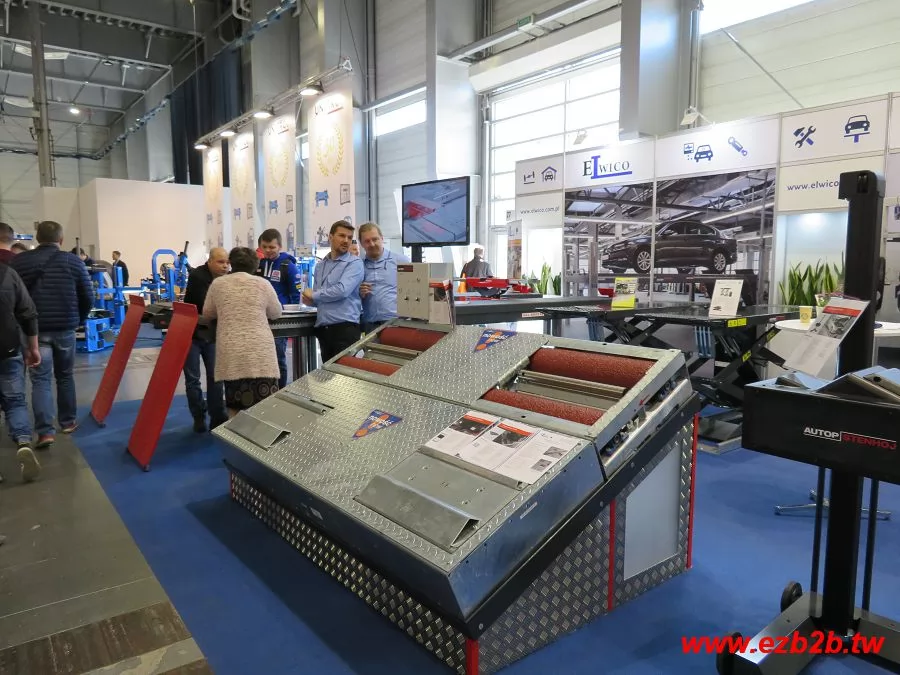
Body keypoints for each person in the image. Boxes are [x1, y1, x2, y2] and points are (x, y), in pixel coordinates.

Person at [11, 221, 93, 446]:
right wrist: (79, 319)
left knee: (40, 380)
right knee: (65, 376)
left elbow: (15, 297)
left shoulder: (20, 262)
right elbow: (88, 295)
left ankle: (45, 432)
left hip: (34, 331)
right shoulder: (73, 261)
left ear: (37, 238)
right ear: (61, 239)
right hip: (65, 328)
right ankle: (67, 422)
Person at [203, 247, 282, 417]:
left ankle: (235, 434)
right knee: (265, 406)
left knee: (235, 406)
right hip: (260, 353)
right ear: (255, 264)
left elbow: (208, 313)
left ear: (231, 262)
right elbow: (276, 312)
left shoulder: (218, 284)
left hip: (232, 352)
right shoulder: (263, 284)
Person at [0, 260, 42, 482]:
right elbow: (28, 312)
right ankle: (23, 442)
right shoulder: (8, 274)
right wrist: (33, 348)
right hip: (7, 347)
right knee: (15, 400)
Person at [302, 220, 364, 362]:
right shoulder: (320, 266)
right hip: (324, 330)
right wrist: (311, 301)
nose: (346, 240)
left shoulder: (354, 263)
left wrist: (314, 295)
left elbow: (342, 291)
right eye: (342, 236)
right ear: (330, 237)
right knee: (328, 374)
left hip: (345, 330)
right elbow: (320, 298)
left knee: (344, 374)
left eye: (349, 237)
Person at [182, 247, 229, 433]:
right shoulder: (198, 277)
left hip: (212, 334)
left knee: (216, 376)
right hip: (191, 333)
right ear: (209, 262)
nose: (225, 266)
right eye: (220, 262)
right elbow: (207, 309)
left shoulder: (227, 278)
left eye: (227, 262)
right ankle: (199, 416)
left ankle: (218, 417)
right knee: (192, 379)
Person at [257, 228, 301, 388]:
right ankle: (264, 390)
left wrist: (290, 319)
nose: (268, 250)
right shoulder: (259, 265)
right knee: (262, 359)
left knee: (278, 358)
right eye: (265, 247)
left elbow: (296, 294)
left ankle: (280, 391)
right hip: (260, 320)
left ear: (280, 246)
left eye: (272, 247)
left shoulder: (288, 266)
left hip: (279, 320)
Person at [358, 222, 410, 334]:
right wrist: (359, 293)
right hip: (371, 325)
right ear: (361, 244)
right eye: (367, 241)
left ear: (382, 238)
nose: (372, 244)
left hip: (397, 323)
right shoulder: (358, 266)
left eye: (375, 239)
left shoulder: (402, 261)